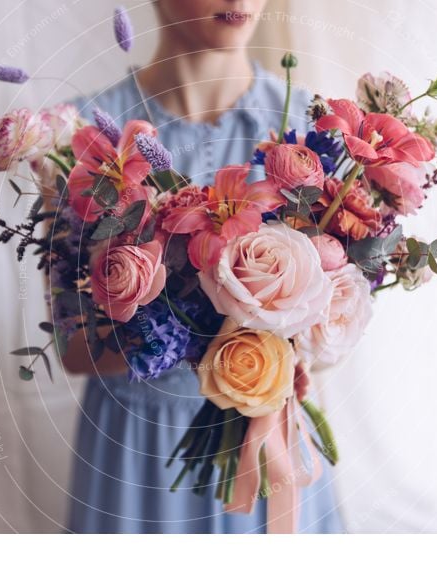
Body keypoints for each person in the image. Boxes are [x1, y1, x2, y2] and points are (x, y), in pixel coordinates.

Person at [62, 0, 343, 533]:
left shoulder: (312, 133)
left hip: (270, 436)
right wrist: (193, 313)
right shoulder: (84, 139)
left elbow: (333, 321)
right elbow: (75, 346)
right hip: (139, 447)